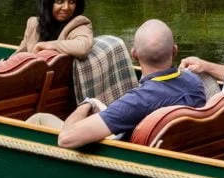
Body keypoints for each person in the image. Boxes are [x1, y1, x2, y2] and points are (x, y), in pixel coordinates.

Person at [31, 20, 206, 150]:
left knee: (39, 119)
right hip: (175, 152)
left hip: (130, 163)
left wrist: (85, 105)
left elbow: (66, 139)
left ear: (134, 55)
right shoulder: (194, 82)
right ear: (174, 50)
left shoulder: (138, 101)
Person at [16, 0, 96, 57]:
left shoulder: (79, 24)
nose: (66, 7)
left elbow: (82, 48)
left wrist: (45, 45)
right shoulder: (34, 24)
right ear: (48, 2)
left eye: (72, 2)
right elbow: (19, 54)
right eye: (60, 1)